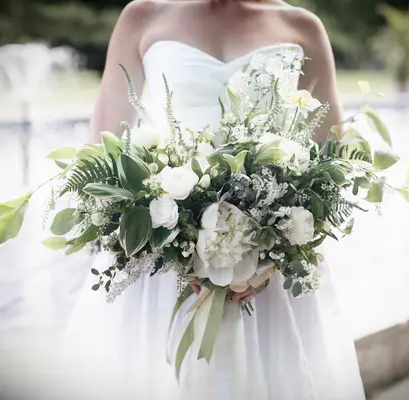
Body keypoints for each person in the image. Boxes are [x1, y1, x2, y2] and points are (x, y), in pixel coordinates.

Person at [63, 1, 366, 399]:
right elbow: (103, 152)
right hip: (157, 264)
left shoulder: (302, 27)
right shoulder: (143, 17)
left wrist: (269, 255)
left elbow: (332, 158)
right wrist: (170, 243)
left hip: (272, 274)